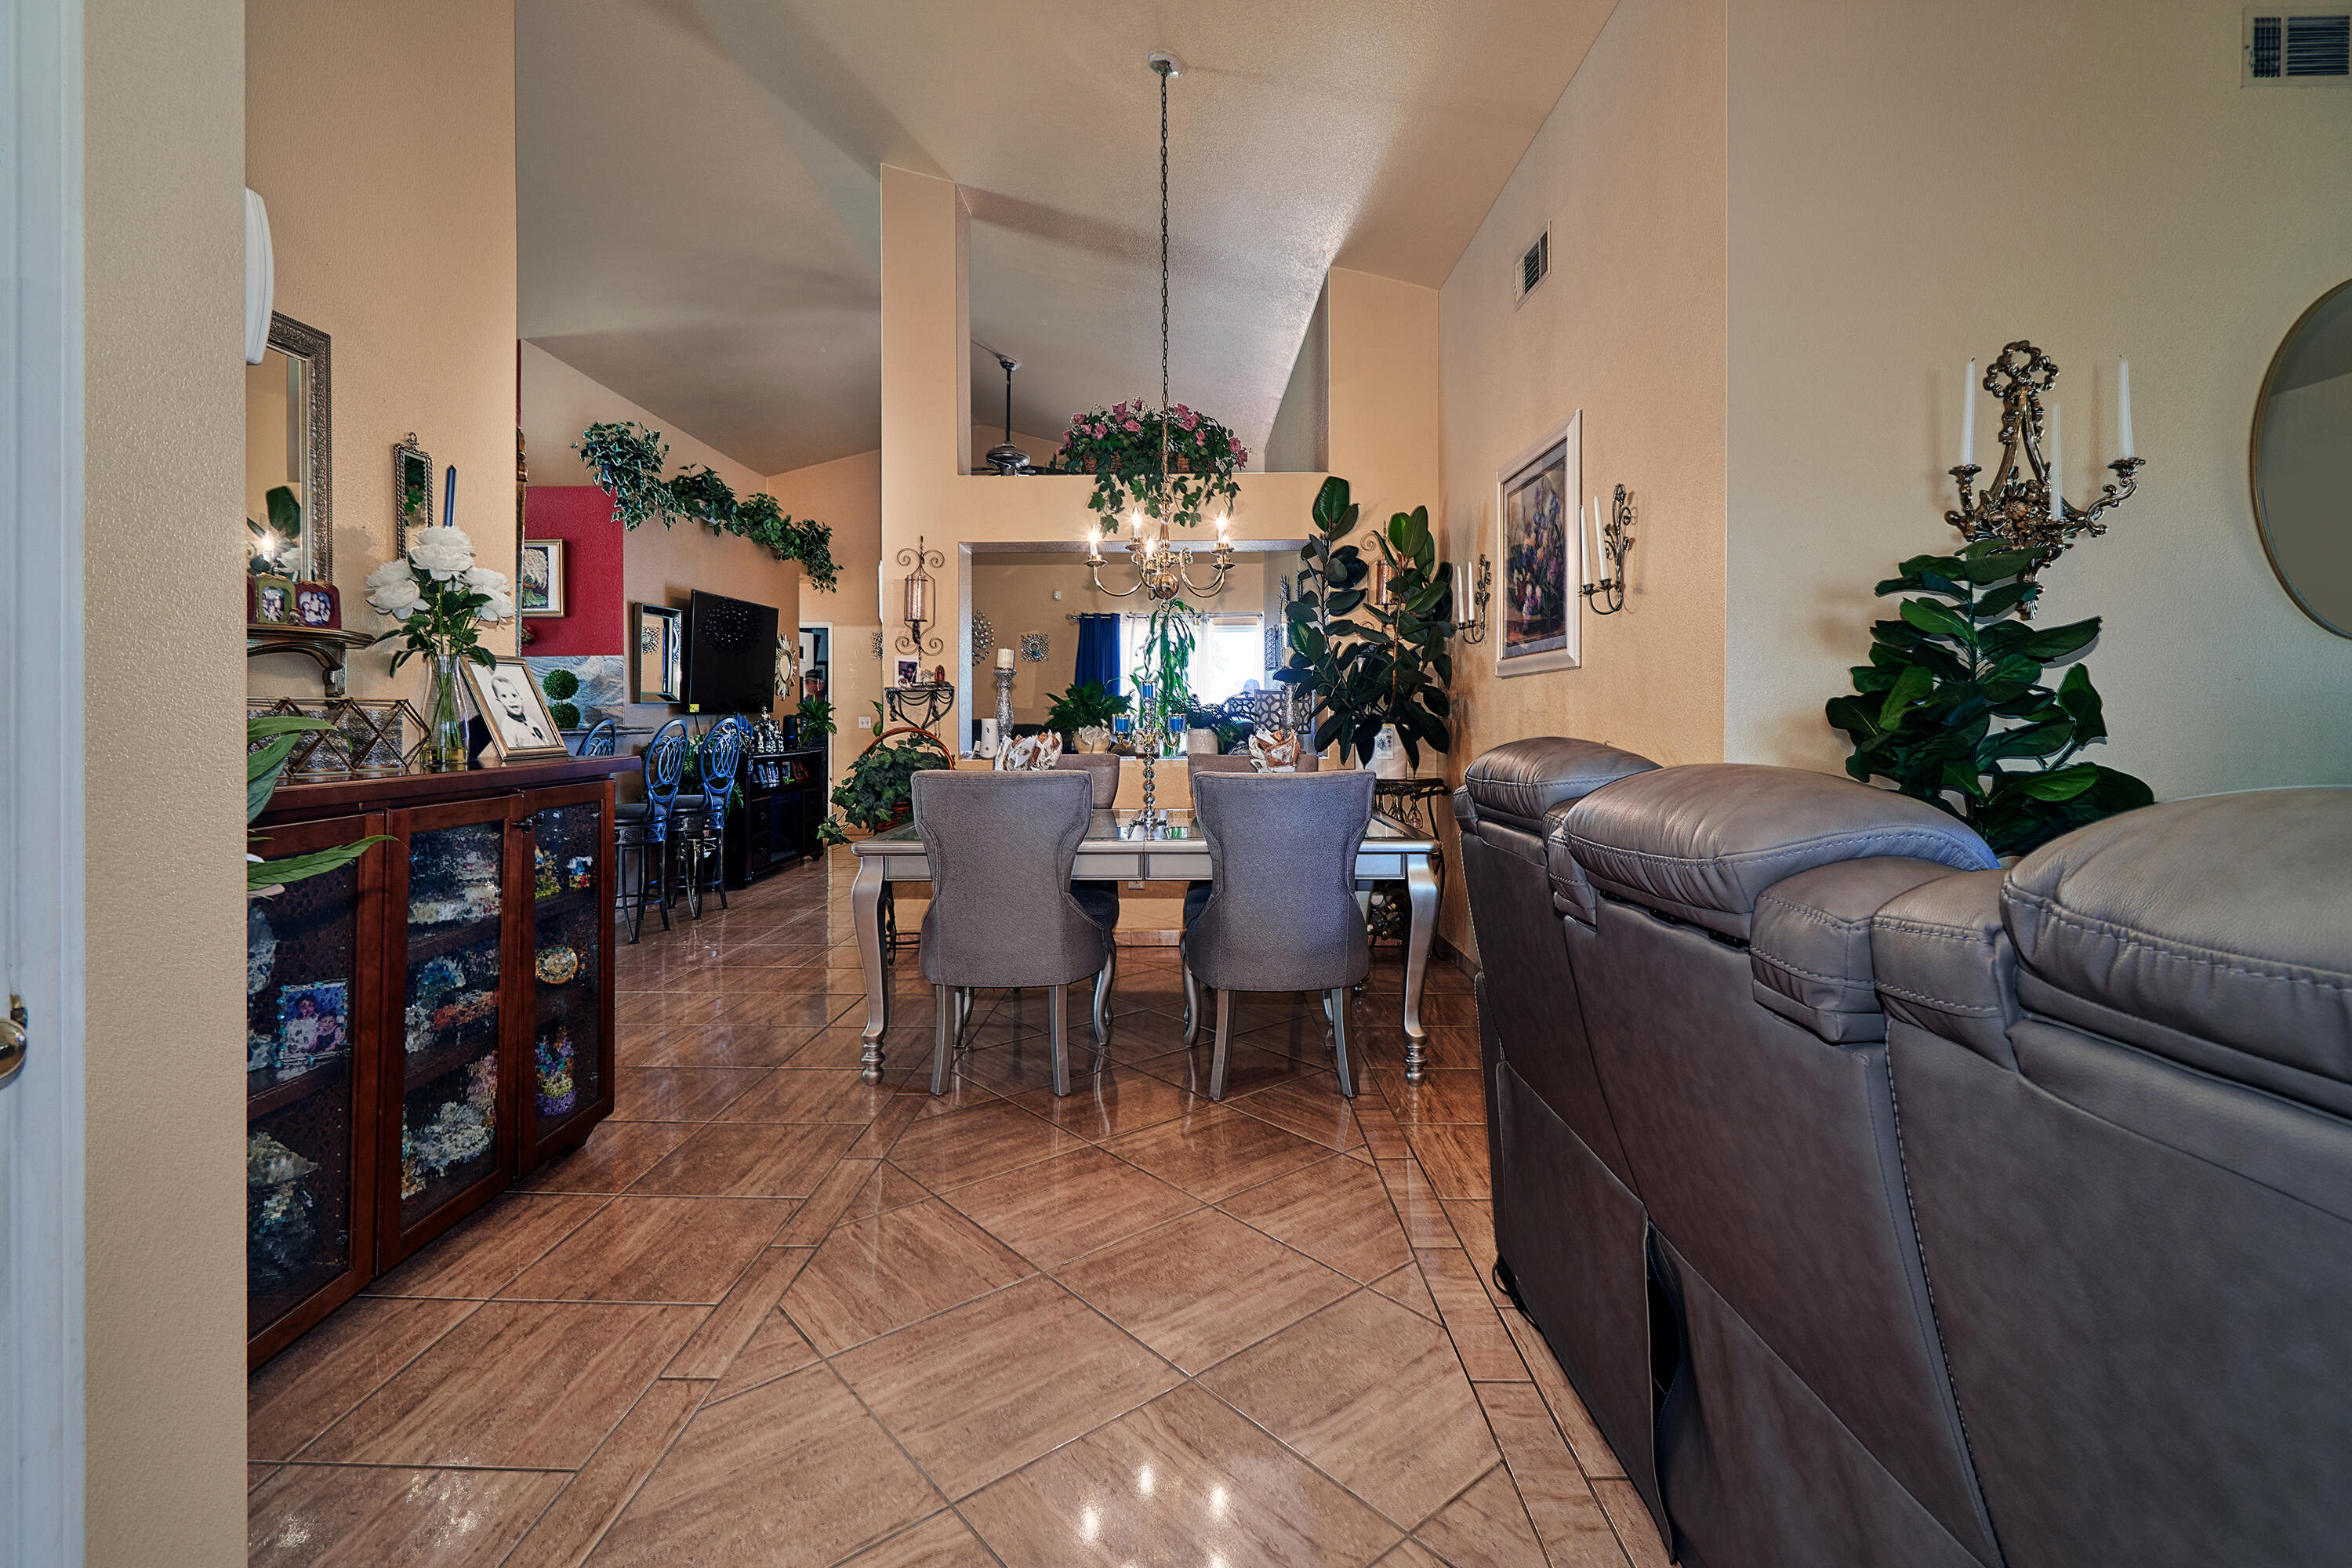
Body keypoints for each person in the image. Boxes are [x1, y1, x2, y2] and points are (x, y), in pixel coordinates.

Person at [488, 667, 554, 748]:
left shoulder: (530, 720)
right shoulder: (508, 727)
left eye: (514, 695)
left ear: (521, 698)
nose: (511, 700)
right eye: (504, 696)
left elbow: (544, 740)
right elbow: (511, 751)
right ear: (499, 701)